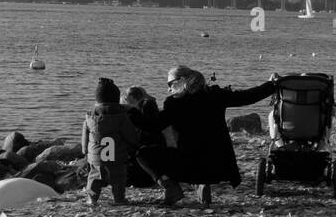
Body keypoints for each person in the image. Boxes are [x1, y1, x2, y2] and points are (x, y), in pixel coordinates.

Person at [136, 65, 276, 206]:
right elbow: (248, 96)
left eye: (170, 84)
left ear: (182, 80)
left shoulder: (175, 103)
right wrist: (272, 85)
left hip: (190, 165)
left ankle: (172, 187)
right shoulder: (215, 94)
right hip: (218, 166)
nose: (168, 89)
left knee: (142, 154)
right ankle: (199, 184)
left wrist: (130, 111)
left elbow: (152, 127)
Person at [80, 77, 141, 206]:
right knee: (118, 178)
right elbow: (130, 135)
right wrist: (134, 143)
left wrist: (85, 151)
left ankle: (91, 199)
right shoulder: (121, 116)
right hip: (116, 156)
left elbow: (85, 136)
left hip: (96, 157)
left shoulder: (90, 116)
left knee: (94, 178)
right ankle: (119, 199)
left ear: (97, 99)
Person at [124, 85, 161, 188]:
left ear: (131, 97)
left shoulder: (135, 112)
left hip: (138, 157)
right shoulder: (151, 108)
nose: (125, 99)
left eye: (126, 96)